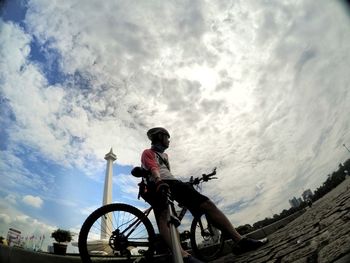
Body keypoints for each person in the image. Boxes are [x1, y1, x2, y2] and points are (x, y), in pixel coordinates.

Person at [140, 127, 267, 262]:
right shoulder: (148, 152)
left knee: (196, 208)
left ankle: (239, 241)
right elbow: (153, 167)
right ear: (160, 137)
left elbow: (165, 171)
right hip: (159, 184)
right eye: (167, 137)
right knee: (166, 217)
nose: (169, 141)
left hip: (170, 182)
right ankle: (183, 256)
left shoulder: (165, 156)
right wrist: (159, 180)